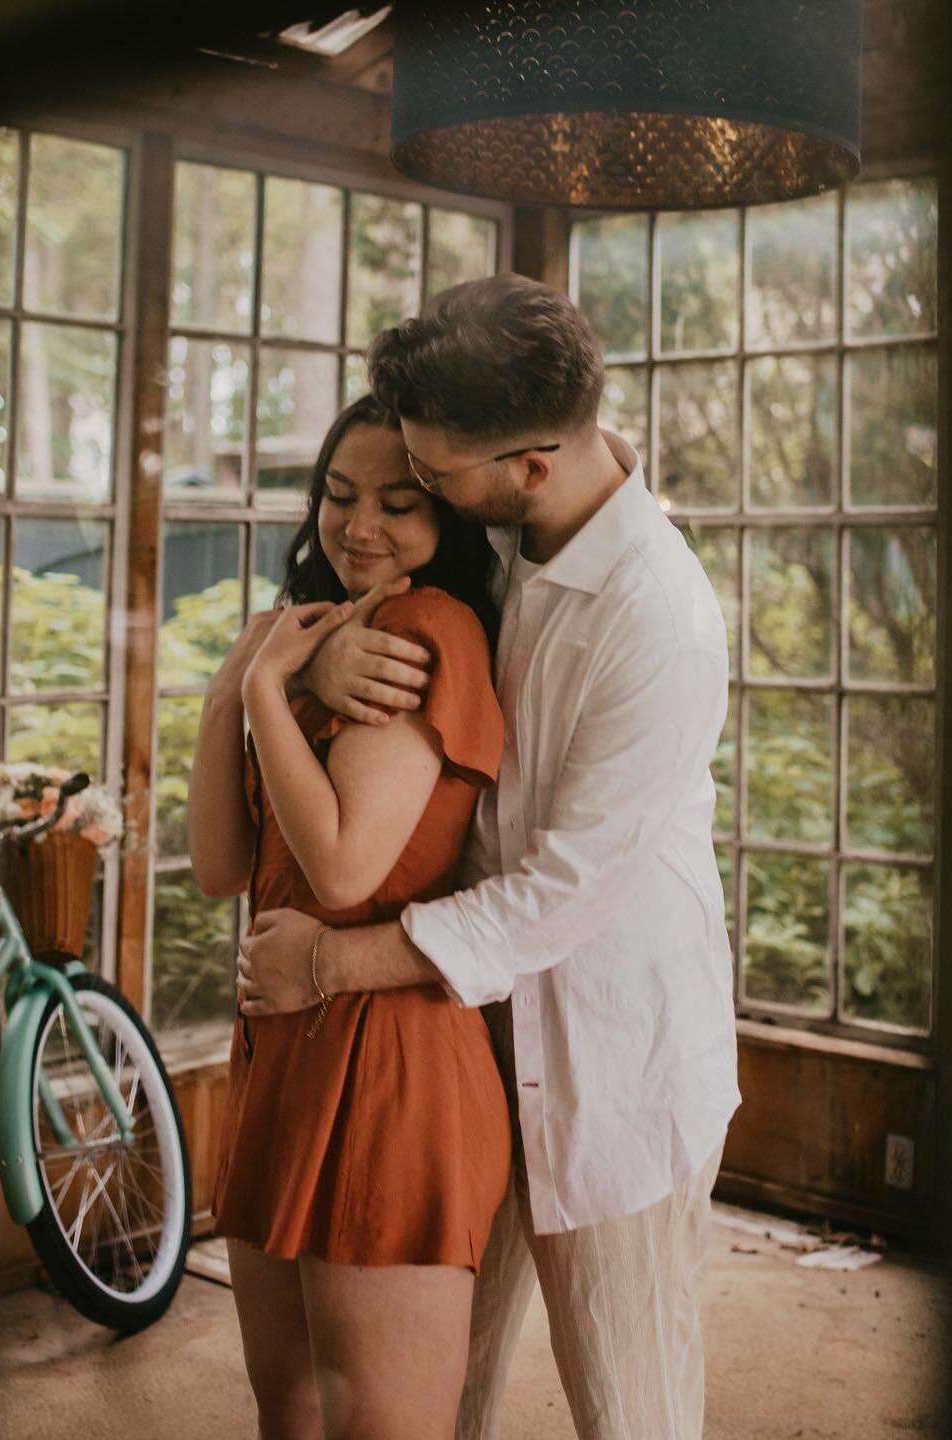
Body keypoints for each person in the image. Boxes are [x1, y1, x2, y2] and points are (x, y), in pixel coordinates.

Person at [237, 274, 741, 1440]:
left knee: (633, 1408)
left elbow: (561, 896)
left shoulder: (659, 621)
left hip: (606, 1058)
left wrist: (328, 966)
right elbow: (387, 601)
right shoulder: (506, 523)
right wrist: (305, 669)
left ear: (527, 468)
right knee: (432, 1397)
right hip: (457, 1048)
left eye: (436, 479)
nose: (420, 504)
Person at [187, 394, 513, 1440]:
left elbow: (339, 867)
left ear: (449, 524)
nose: (358, 527)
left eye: (400, 504)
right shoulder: (303, 635)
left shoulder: (428, 630)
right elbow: (216, 865)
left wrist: (266, 696)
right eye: (337, 495)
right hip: (279, 1047)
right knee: (288, 1419)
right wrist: (234, 690)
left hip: (388, 1060)